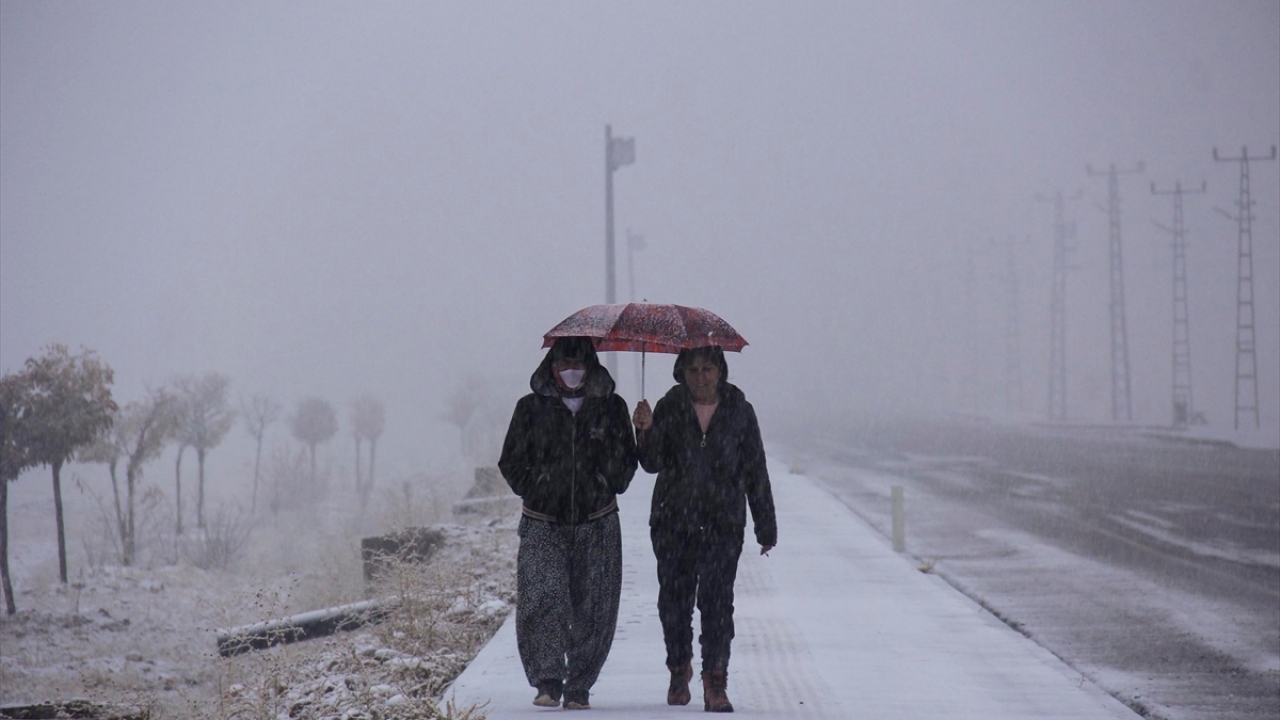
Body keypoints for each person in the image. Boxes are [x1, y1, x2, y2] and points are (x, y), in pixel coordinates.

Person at [631, 345, 776, 713]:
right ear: (682, 372)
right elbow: (651, 464)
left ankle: (716, 680)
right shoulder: (669, 407)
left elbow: (755, 470)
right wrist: (644, 432)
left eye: (708, 368)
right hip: (672, 521)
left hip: (722, 523)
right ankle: (679, 668)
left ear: (721, 371)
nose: (700, 376)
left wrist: (765, 526)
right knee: (674, 604)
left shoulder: (740, 412)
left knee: (716, 604)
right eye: (693, 369)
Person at [498, 336, 638, 710]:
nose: (571, 372)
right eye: (563, 365)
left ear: (591, 366)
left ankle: (579, 684)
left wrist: (605, 482)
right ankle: (547, 680)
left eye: (578, 364)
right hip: (544, 522)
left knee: (595, 605)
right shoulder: (529, 409)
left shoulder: (612, 408)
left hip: (598, 521)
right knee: (542, 598)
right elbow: (510, 461)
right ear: (551, 368)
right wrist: (537, 488)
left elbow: (627, 462)